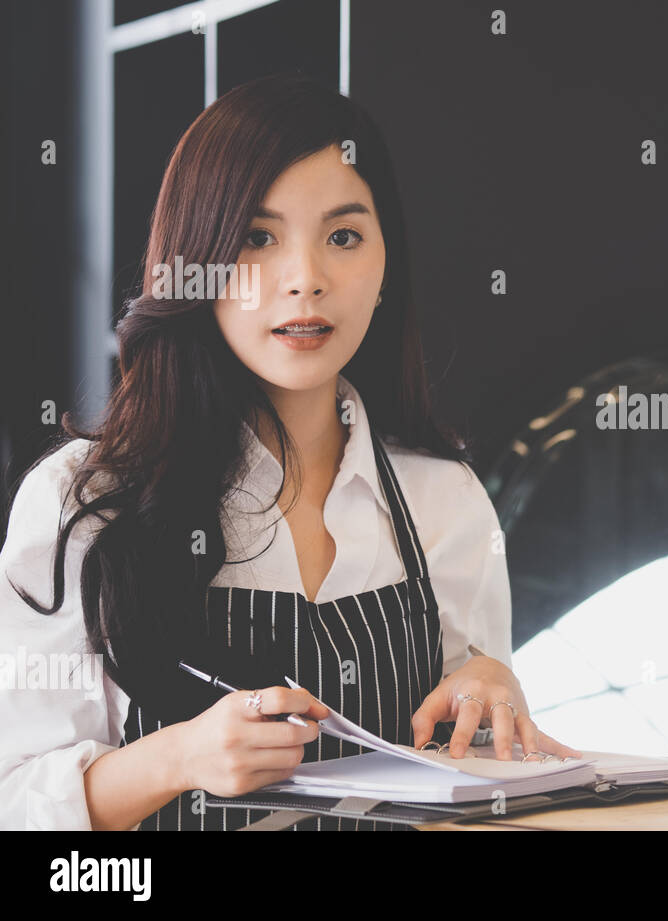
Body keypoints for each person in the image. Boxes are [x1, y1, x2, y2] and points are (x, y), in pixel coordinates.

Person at [0, 73, 578, 831]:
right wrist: (179, 757)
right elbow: (16, 803)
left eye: (343, 236)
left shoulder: (446, 498)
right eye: (257, 238)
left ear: (384, 269)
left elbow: (472, 788)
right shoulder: (81, 500)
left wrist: (490, 691)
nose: (305, 279)